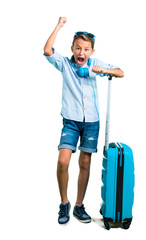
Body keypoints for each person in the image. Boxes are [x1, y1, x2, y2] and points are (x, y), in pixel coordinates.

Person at [43, 17, 124, 225]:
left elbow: (121, 72)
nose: (82, 53)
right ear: (72, 48)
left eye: (86, 49)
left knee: (85, 162)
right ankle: (64, 203)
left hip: (91, 122)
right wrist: (59, 26)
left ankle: (79, 206)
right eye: (78, 48)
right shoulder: (65, 64)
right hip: (71, 121)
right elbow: (47, 50)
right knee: (63, 161)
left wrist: (103, 71)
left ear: (92, 52)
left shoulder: (96, 63)